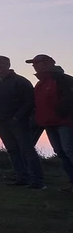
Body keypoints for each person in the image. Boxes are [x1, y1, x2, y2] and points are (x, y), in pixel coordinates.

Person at [0, 55, 43, 189]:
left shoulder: (20, 81)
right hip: (0, 122)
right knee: (12, 150)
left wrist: (17, 118)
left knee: (27, 150)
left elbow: (29, 102)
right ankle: (21, 177)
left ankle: (37, 180)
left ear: (8, 64)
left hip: (18, 122)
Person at [28, 54, 73, 191]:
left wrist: (61, 113)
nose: (34, 65)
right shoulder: (40, 84)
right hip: (48, 123)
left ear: (48, 63)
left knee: (69, 151)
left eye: (37, 63)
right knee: (60, 152)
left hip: (65, 122)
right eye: (34, 63)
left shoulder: (64, 79)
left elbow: (69, 99)